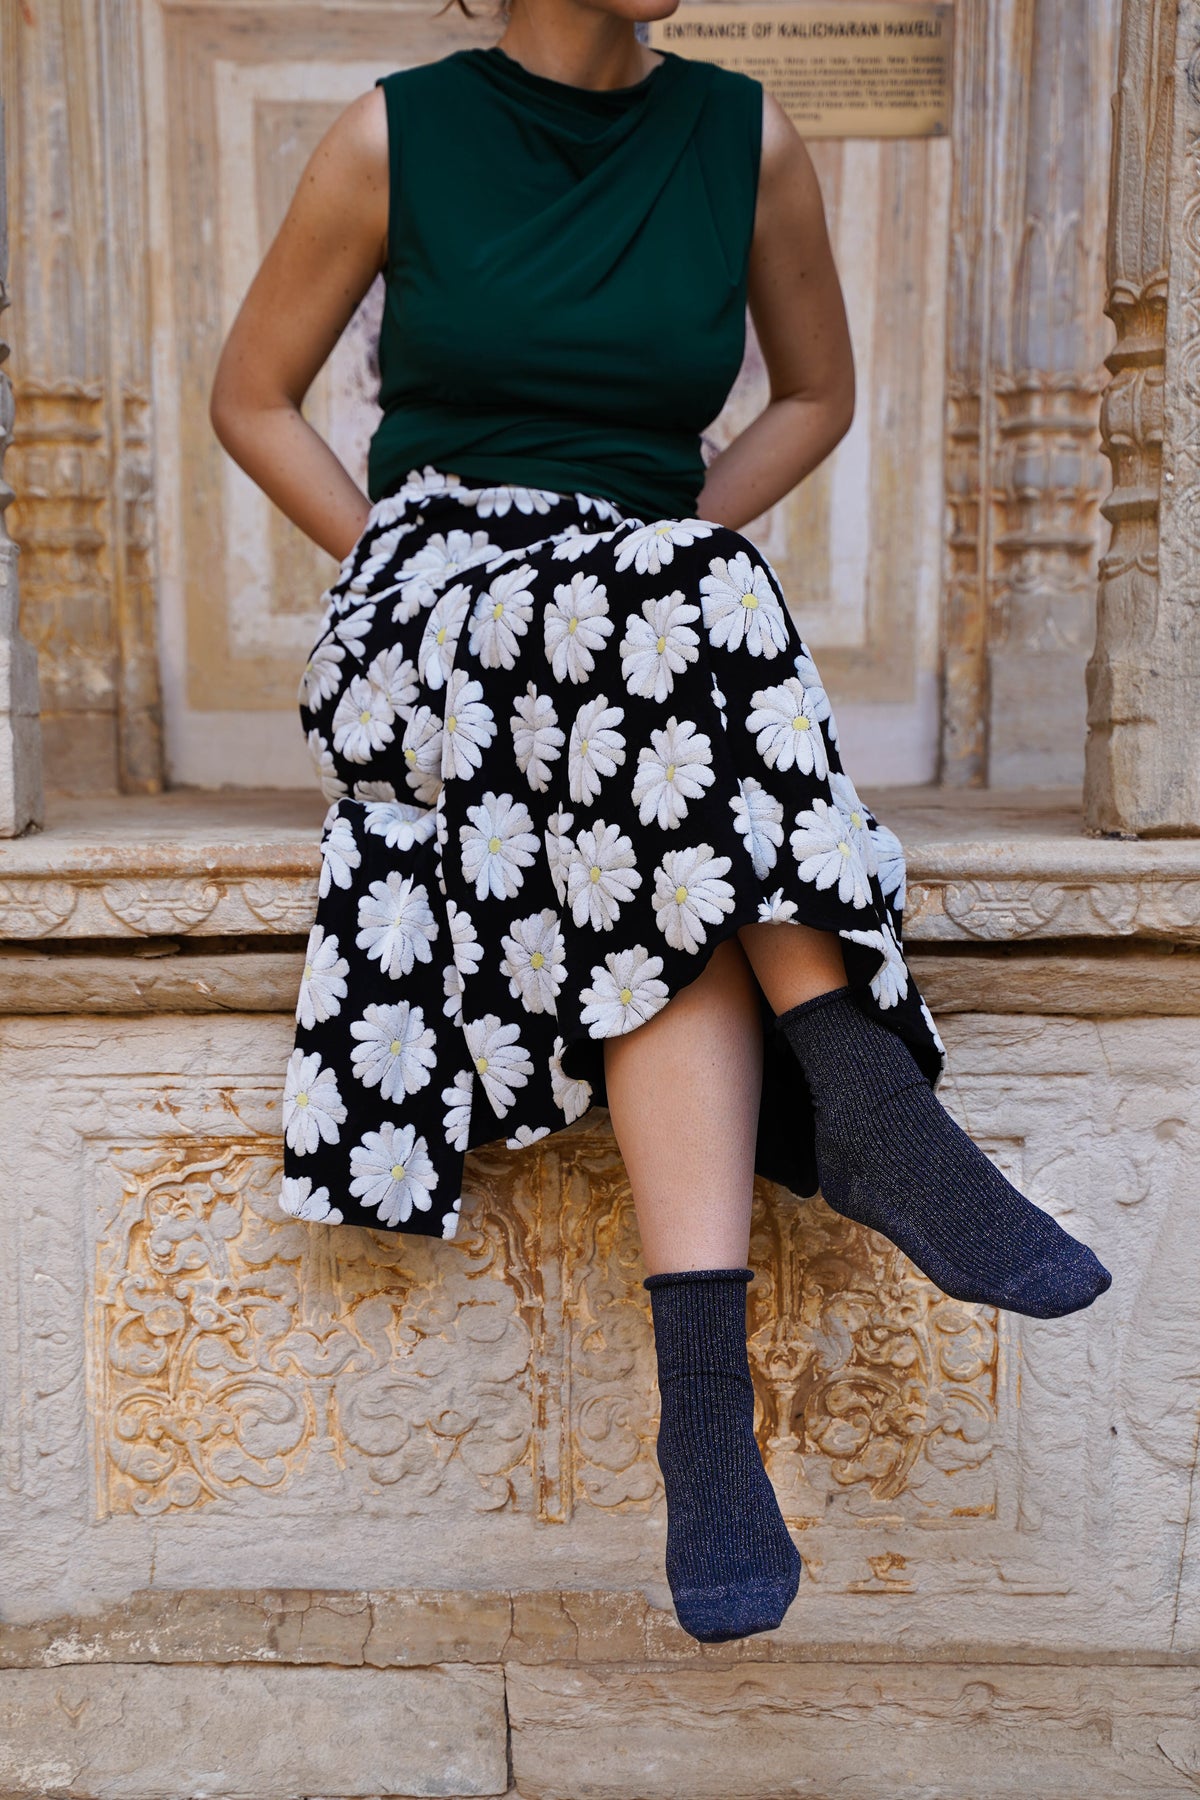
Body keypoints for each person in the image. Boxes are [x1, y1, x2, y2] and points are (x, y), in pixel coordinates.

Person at [209, 0, 1112, 1647]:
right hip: (440, 613)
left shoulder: (746, 138)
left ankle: (705, 1426)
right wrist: (398, 553)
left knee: (671, 779)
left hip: (640, 622)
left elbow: (816, 395)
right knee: (689, 620)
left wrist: (657, 547)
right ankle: (875, 1113)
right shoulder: (391, 136)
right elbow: (250, 397)